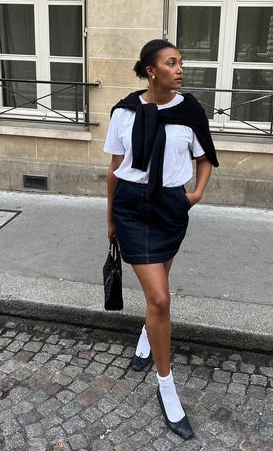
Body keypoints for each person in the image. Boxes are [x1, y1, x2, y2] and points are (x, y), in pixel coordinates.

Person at [104, 39, 219, 440]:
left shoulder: (190, 111)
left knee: (160, 288)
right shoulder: (124, 112)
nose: (180, 69)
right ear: (151, 70)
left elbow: (205, 158)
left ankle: (145, 337)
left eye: (181, 63)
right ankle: (167, 388)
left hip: (171, 206)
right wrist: (111, 219)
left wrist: (196, 195)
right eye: (172, 63)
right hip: (132, 207)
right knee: (160, 298)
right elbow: (115, 170)